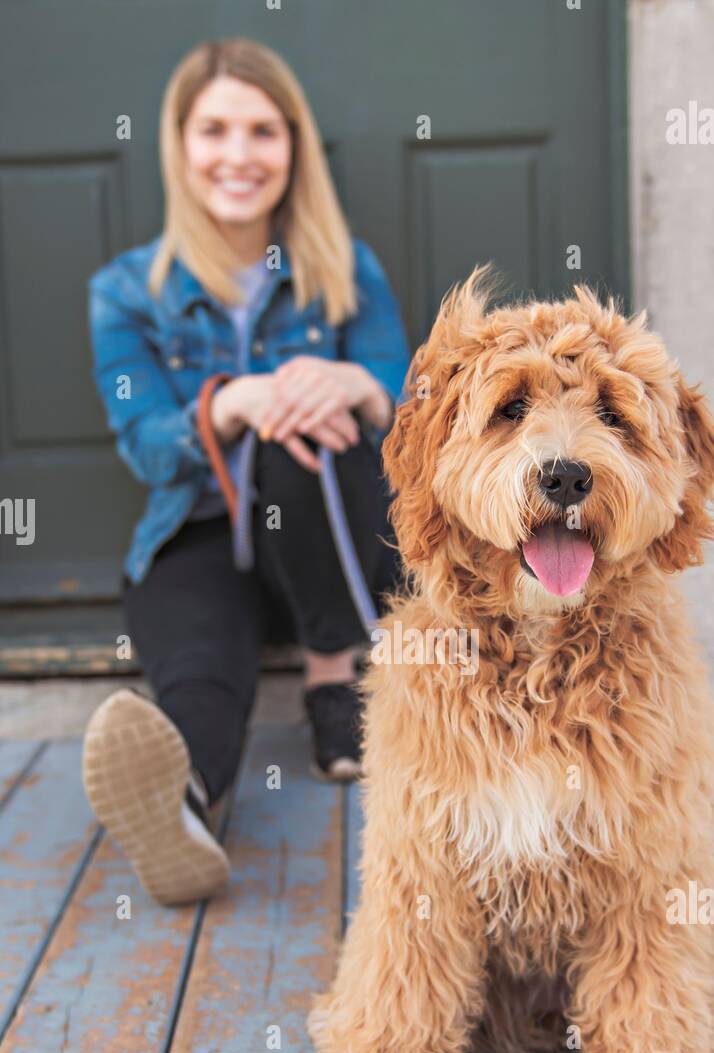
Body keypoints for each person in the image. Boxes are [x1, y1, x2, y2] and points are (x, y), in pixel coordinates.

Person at [82, 37, 409, 906]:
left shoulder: (347, 270)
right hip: (196, 534)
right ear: (178, 144)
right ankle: (180, 804)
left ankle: (336, 679)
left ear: (293, 146)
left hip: (330, 536)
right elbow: (145, 443)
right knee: (199, 671)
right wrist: (232, 401)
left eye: (262, 131)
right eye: (214, 130)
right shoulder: (125, 291)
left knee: (312, 418)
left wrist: (357, 387)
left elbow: (420, 415)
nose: (237, 155)